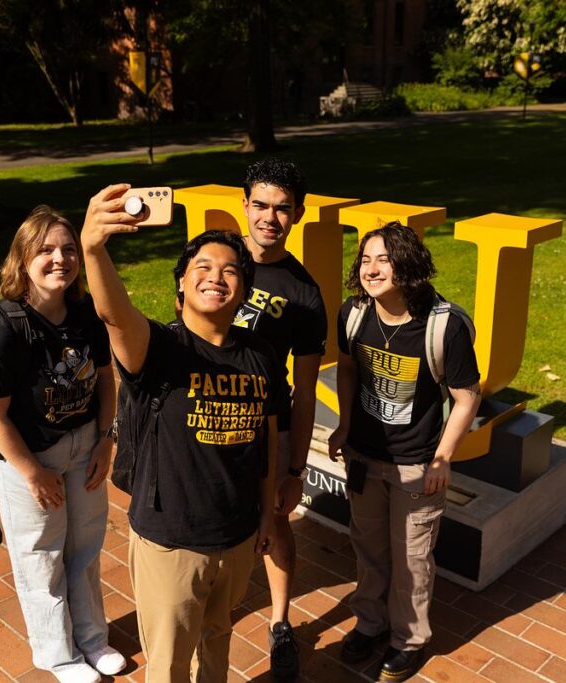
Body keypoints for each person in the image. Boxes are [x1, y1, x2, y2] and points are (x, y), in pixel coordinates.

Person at [80, 184, 283, 683]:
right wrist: (93, 249)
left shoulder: (260, 356)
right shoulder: (160, 349)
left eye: (231, 270)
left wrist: (267, 513)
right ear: (180, 289)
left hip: (236, 537)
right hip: (172, 543)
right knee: (168, 664)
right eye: (203, 269)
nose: (217, 277)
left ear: (243, 292)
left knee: (217, 642)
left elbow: (267, 438)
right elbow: (113, 315)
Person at [0, 205, 126, 683]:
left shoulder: (84, 315)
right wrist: (32, 472)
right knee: (41, 556)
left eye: (68, 250)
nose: (60, 259)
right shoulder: (1, 331)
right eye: (45, 250)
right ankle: (58, 655)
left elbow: (105, 379)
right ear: (22, 260)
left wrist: (105, 440)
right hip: (30, 456)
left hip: (84, 446)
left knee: (85, 547)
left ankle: (93, 640)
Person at [327, 222, 481, 682]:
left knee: (412, 558)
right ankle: (370, 624)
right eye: (365, 260)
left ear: (407, 265)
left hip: (417, 466)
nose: (371, 270)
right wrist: (344, 425)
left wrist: (442, 458)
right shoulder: (354, 314)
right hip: (364, 457)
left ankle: (408, 640)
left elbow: (468, 396)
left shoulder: (443, 325)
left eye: (383, 260)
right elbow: (350, 370)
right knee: (369, 548)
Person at [234, 158, 326, 680]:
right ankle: (212, 606)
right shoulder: (214, 256)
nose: (270, 217)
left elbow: (307, 391)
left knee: (276, 521)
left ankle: (281, 622)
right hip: (210, 412)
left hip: (270, 426)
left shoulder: (305, 293)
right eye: (261, 205)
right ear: (244, 205)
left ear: (298, 214)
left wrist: (295, 471)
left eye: (282, 208)